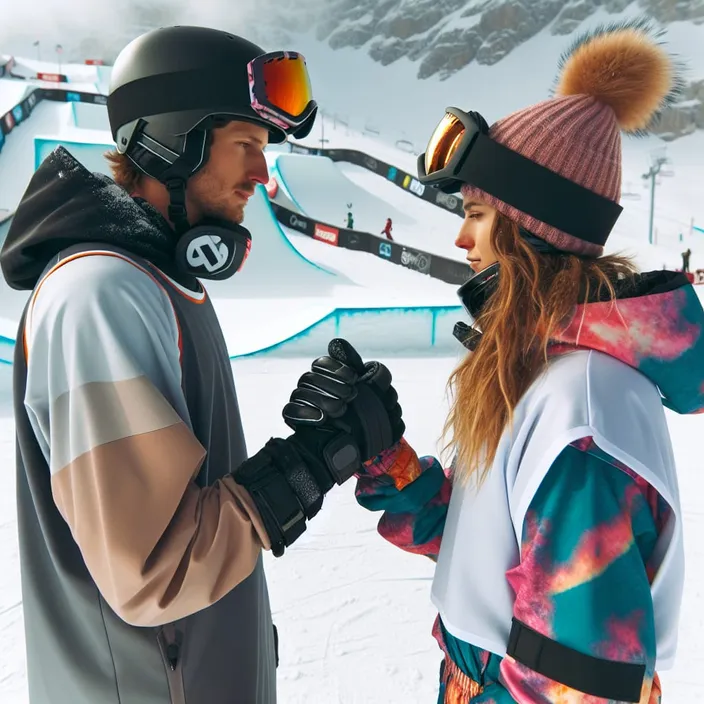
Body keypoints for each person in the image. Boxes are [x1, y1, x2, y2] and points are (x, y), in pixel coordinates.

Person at [0, 26, 402, 704]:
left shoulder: (155, 283)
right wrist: (316, 457)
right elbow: (156, 569)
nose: (262, 173)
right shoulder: (101, 295)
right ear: (172, 140)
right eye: (247, 144)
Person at [343, 21, 704, 703]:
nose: (461, 236)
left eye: (478, 213)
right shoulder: (545, 372)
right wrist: (387, 461)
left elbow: (576, 683)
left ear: (529, 229)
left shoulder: (583, 416)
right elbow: (488, 544)